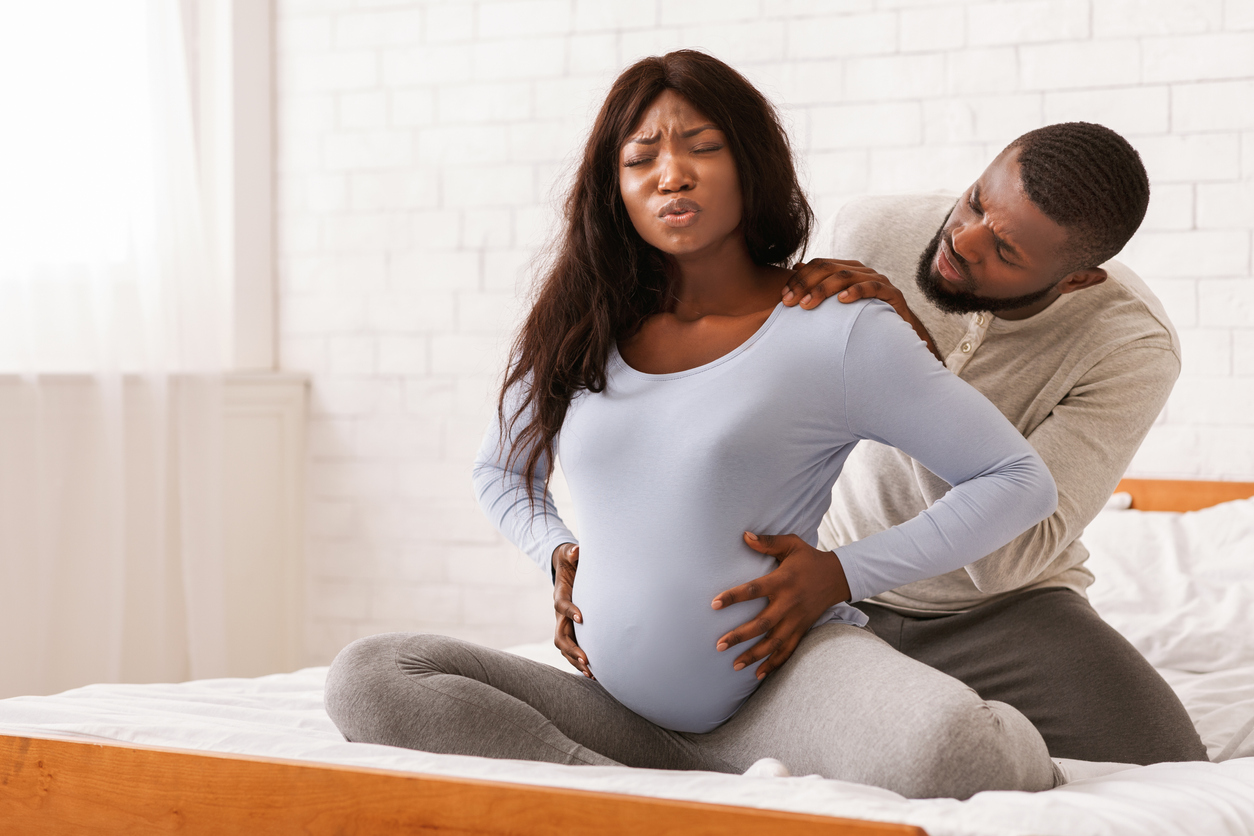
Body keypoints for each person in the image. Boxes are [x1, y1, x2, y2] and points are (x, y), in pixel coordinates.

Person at [325, 51, 1060, 799]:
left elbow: (1017, 481)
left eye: (702, 147)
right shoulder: (578, 327)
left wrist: (844, 571)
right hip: (618, 715)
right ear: (615, 189)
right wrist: (555, 553)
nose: (670, 173)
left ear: (751, 165)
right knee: (372, 677)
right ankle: (633, 798)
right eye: (640, 157)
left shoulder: (834, 329)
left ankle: (637, 797)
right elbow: (501, 471)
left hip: (783, 692)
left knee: (960, 754)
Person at [693, 122, 1206, 766]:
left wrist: (909, 364)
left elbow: (1007, 558)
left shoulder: (1130, 347)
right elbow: (765, 407)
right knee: (681, 699)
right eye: (975, 201)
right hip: (826, 587)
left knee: (1171, 767)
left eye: (1005, 251)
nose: (961, 240)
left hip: (1003, 610)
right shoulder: (875, 233)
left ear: (1076, 281)